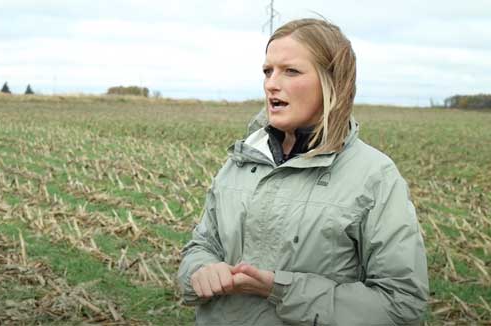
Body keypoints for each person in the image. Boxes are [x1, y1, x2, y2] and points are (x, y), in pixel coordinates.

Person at [177, 18, 429, 325]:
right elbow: (201, 246)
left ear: (332, 82)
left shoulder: (374, 176)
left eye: (291, 71)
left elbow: (400, 304)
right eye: (267, 71)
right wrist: (201, 270)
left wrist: (282, 291)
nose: (271, 83)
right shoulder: (241, 160)